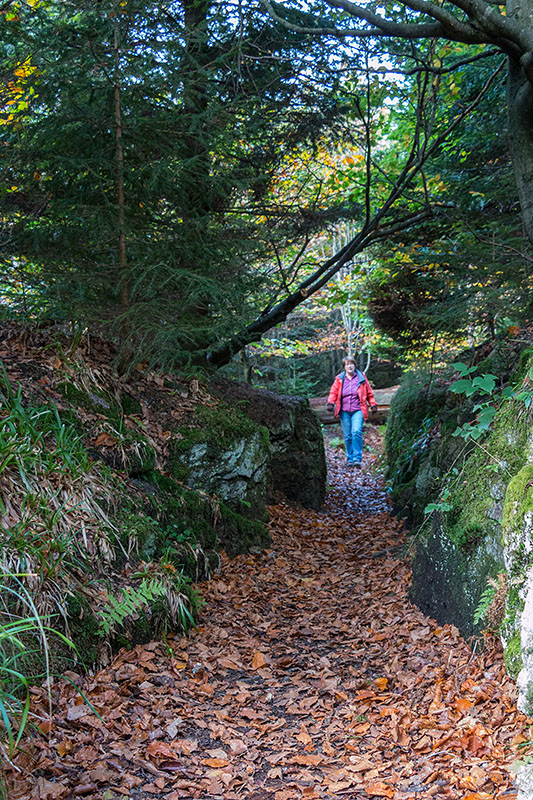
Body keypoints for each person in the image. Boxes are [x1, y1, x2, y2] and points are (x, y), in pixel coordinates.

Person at [327, 355, 378, 468]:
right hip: (344, 411)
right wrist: (331, 403)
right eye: (347, 364)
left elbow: (369, 392)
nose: (350, 366)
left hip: (358, 409)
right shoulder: (340, 379)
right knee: (348, 435)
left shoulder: (361, 378)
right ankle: (349, 458)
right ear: (344, 367)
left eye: (352, 364)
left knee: (356, 432)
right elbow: (333, 392)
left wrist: (373, 404)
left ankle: (357, 458)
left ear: (355, 365)